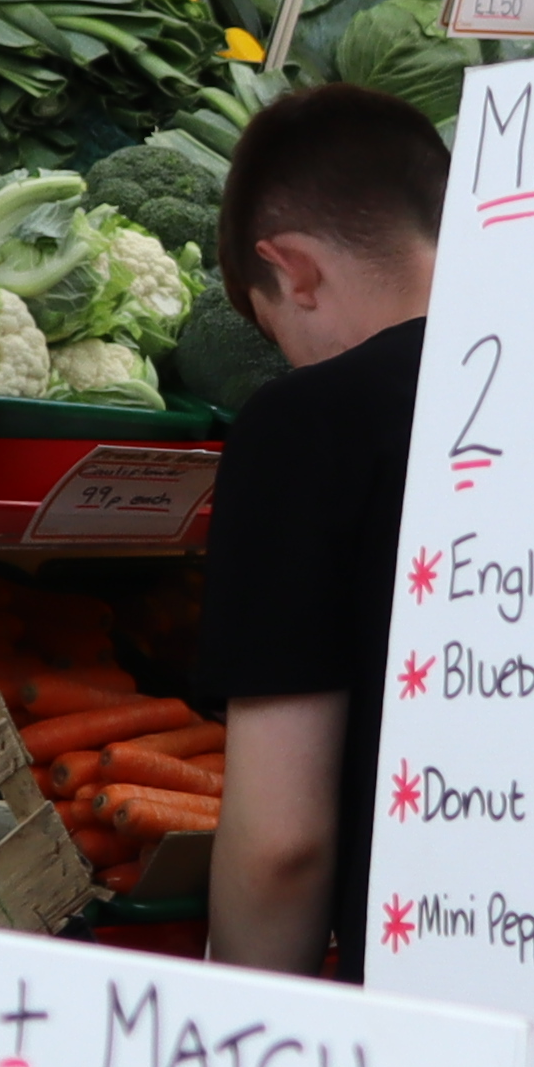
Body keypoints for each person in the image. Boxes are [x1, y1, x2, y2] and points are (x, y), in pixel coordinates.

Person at [198, 86, 447, 977]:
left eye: (279, 331)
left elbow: (282, 844)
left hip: (437, 989)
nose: (291, 360)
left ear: (293, 270)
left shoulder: (309, 424)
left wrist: (234, 1046)